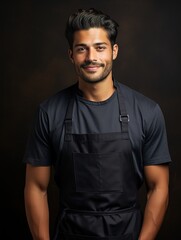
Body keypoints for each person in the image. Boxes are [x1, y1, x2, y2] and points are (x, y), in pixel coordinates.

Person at [23, 8, 171, 240]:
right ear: (71, 54)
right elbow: (36, 188)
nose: (91, 57)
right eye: (82, 49)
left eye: (100, 48)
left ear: (114, 51)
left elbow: (158, 187)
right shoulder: (49, 112)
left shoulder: (147, 111)